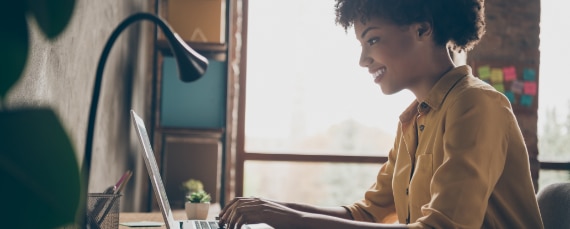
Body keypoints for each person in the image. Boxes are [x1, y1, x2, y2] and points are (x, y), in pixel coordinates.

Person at [219, 0, 545, 228]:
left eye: (372, 39)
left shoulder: (477, 106)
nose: (363, 59)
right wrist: (274, 209)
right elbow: (369, 212)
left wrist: (294, 221)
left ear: (422, 30)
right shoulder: (415, 119)